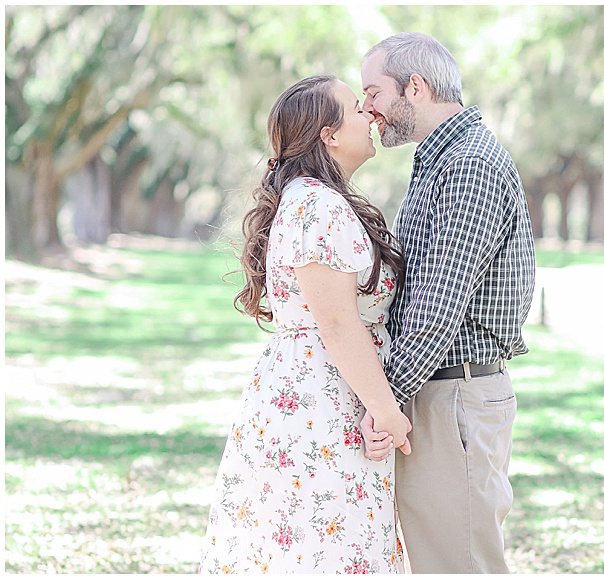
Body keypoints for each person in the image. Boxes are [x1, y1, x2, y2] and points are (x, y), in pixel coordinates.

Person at [199, 75, 412, 574]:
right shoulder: (317, 205)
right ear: (329, 134)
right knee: (324, 548)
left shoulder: (314, 200)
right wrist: (386, 411)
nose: (370, 116)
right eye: (357, 109)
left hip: (321, 389)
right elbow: (337, 323)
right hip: (322, 399)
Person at [359, 33, 536, 574]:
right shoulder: (441, 162)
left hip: (453, 396)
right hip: (439, 393)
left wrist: (381, 403)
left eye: (374, 92)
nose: (367, 108)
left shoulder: (468, 166)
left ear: (416, 87)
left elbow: (437, 308)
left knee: (459, 566)